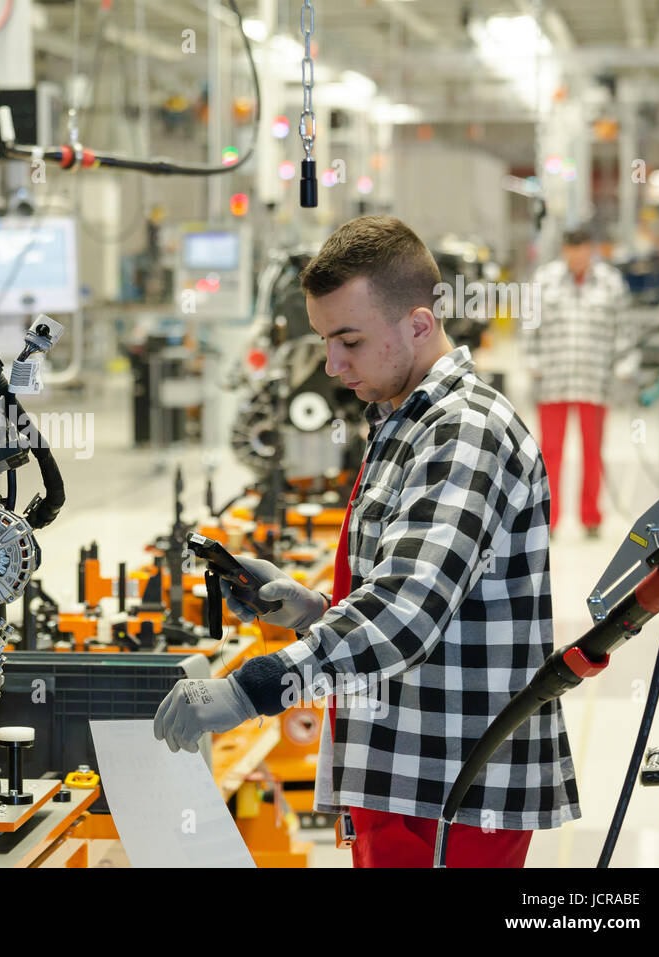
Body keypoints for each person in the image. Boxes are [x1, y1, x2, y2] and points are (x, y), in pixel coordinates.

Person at [154, 215, 579, 867]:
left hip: (447, 792)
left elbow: (406, 615)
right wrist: (308, 607)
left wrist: (253, 689)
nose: (332, 363)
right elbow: (426, 604)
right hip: (404, 773)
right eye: (325, 339)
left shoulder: (462, 432)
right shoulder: (405, 423)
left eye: (348, 339)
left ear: (418, 322)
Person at [523, 225, 630, 538]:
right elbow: (529, 325)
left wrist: (623, 364)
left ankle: (591, 518)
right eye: (572, 250)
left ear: (591, 249)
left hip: (594, 381)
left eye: (583, 249)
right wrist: (532, 361)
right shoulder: (544, 281)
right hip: (553, 381)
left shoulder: (610, 283)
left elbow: (622, 328)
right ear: (564, 251)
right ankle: (550, 520)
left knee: (593, 451)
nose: (578, 256)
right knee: (551, 452)